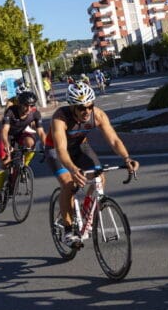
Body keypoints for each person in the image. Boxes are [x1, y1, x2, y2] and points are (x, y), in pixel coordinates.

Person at [48, 82, 138, 244]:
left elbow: (114, 140)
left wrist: (127, 158)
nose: (87, 111)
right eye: (82, 108)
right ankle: (68, 229)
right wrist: (73, 169)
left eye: (90, 106)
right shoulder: (60, 118)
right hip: (56, 150)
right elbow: (61, 150)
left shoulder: (98, 115)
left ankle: (85, 214)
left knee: (99, 178)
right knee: (68, 183)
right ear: (72, 106)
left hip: (80, 147)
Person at [0, 91, 43, 212]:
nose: (29, 108)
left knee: (31, 144)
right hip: (7, 136)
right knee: (5, 162)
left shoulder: (35, 113)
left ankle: (24, 166)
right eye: (26, 105)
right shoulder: (10, 111)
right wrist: (7, 145)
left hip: (21, 134)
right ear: (20, 104)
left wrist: (47, 145)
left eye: (31, 105)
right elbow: (4, 131)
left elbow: (41, 132)